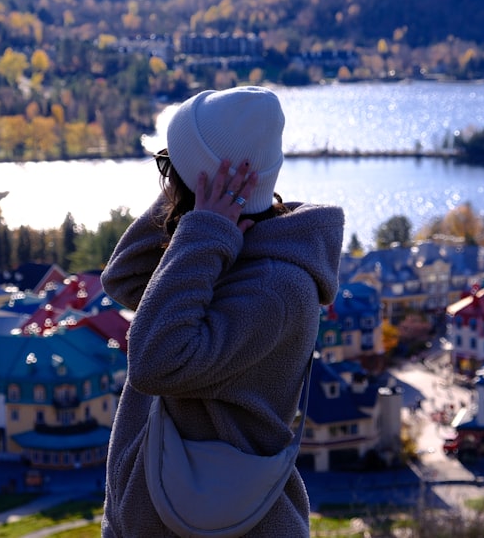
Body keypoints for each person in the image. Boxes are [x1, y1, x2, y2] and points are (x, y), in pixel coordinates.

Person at [100, 86, 344, 537]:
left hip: (225, 526)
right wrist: (193, 204)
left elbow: (154, 364)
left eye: (167, 169)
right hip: (169, 513)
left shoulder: (275, 287)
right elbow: (125, 277)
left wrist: (202, 219)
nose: (164, 179)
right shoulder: (219, 246)